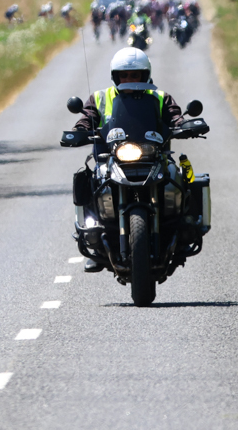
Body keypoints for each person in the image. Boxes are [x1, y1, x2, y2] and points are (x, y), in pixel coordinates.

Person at [64, 48, 190, 272]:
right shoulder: (101, 98)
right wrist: (80, 130)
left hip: (153, 157)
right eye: (124, 75)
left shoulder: (160, 97)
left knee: (178, 178)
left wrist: (184, 125)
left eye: (135, 75)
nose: (130, 80)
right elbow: (88, 117)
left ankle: (184, 225)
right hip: (112, 158)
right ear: (115, 76)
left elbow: (175, 116)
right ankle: (92, 236)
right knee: (91, 180)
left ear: (145, 75)